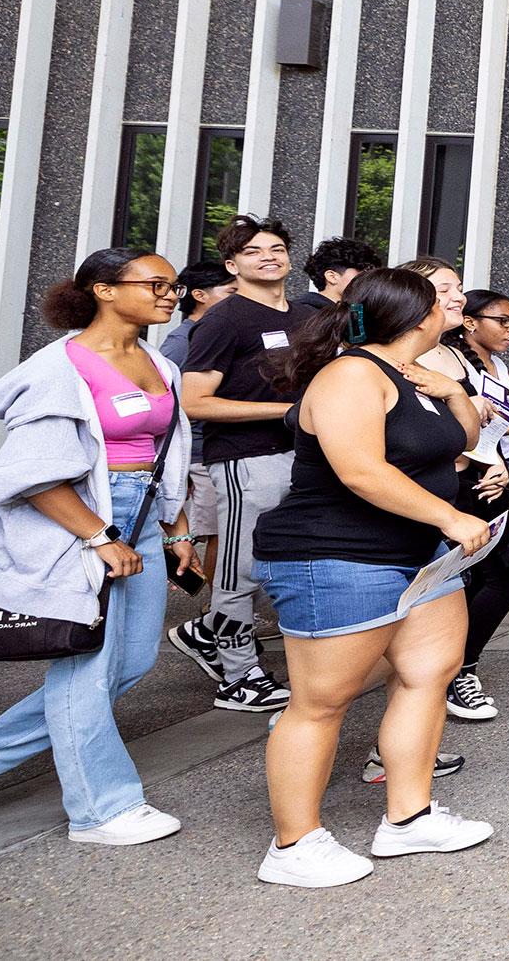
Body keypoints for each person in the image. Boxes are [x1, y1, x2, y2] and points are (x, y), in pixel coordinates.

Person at [250, 268, 494, 887]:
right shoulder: (351, 373)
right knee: (321, 702)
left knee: (427, 676)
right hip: (335, 555)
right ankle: (294, 843)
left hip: (419, 555)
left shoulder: (411, 376)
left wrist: (455, 393)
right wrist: (450, 515)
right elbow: (360, 470)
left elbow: (457, 439)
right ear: (416, 317)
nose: (456, 303)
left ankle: (408, 819)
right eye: (444, 298)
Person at [0, 249, 198, 844]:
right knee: (86, 664)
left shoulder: (160, 365)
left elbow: (169, 453)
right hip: (80, 517)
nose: (172, 295)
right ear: (105, 290)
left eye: (176, 286)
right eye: (157, 284)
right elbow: (34, 474)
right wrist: (97, 536)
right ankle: (102, 808)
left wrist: (176, 525)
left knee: (129, 664)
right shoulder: (61, 367)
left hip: (138, 513)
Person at [170, 215, 307, 712]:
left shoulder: (304, 317)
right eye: (253, 251)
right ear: (233, 265)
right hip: (246, 460)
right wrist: (286, 412)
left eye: (276, 247)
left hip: (303, 459)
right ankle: (238, 677)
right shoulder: (224, 319)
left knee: (288, 564)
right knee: (238, 572)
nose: (268, 256)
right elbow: (193, 400)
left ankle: (205, 633)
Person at [439, 288, 509, 719]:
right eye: (503, 320)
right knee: (489, 577)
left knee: (500, 575)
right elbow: (452, 428)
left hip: (496, 479)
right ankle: (455, 672)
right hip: (466, 483)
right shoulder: (450, 363)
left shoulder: (493, 365)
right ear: (471, 322)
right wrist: (488, 462)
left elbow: (499, 425)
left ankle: (457, 668)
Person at [159, 259, 237, 600]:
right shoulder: (180, 343)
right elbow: (166, 405)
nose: (238, 297)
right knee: (218, 534)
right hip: (200, 454)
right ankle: (215, 615)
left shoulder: (221, 331)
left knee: (223, 532)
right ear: (200, 295)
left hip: (219, 449)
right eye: (231, 291)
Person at [292, 236, 383, 312]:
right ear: (332, 277)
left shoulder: (354, 315)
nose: (368, 281)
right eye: (362, 274)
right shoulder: (303, 315)